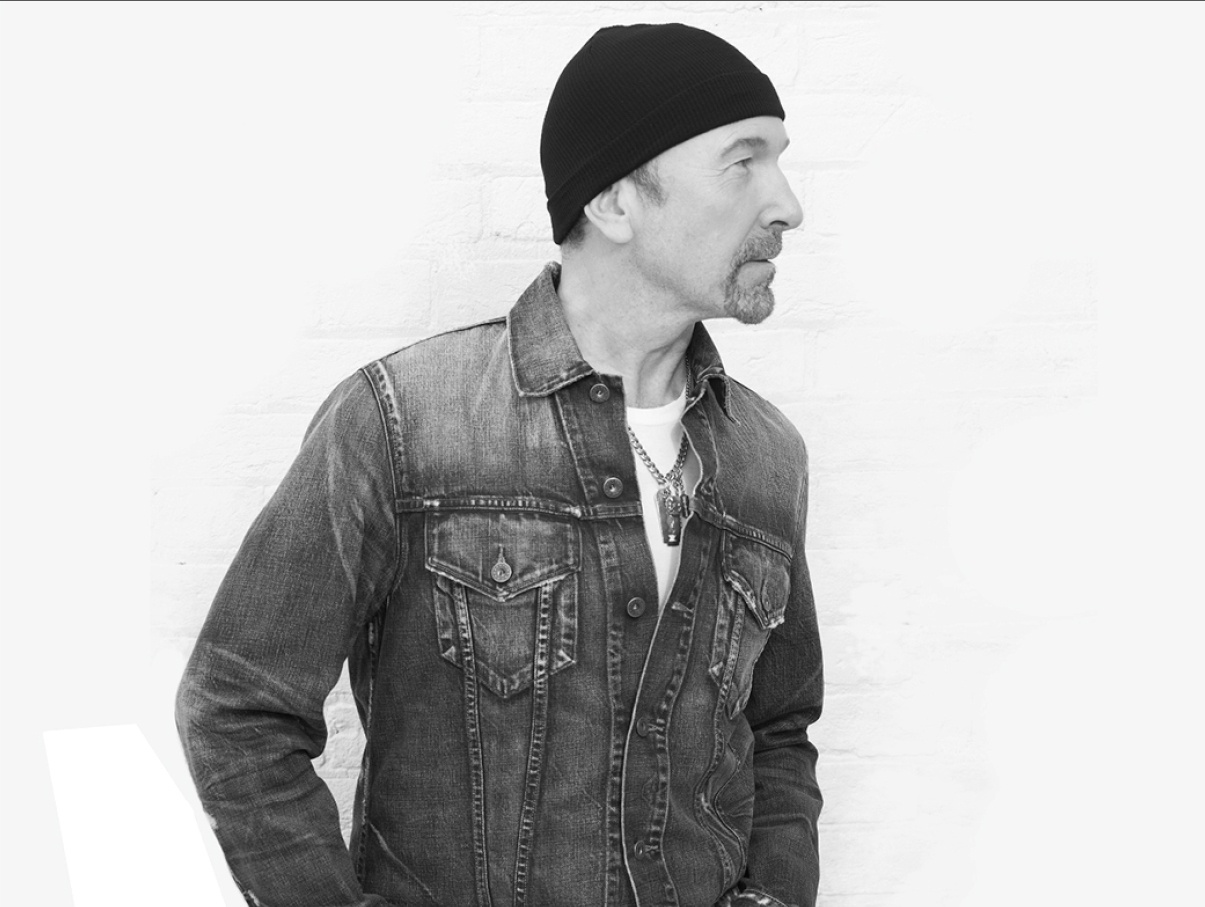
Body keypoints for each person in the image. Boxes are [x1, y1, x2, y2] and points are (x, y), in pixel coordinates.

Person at [176, 22, 823, 907]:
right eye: (742, 162)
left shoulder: (766, 455)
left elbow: (777, 730)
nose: (786, 205)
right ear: (615, 202)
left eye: (779, 162)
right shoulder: (405, 420)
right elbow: (237, 709)